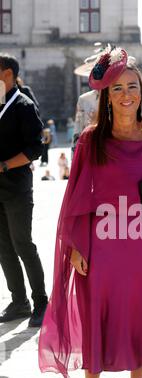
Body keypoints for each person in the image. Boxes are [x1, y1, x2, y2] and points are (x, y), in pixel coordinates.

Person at [38, 46, 142, 378]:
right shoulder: (90, 140)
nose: (126, 95)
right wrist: (75, 247)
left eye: (132, 87)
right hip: (101, 250)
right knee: (96, 320)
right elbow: (75, 200)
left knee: (140, 322)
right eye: (117, 88)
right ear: (106, 95)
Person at [0, 53, 48, 328]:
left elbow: (34, 150)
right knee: (3, 248)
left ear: (7, 73)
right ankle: (19, 302)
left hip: (17, 186)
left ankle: (41, 301)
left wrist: (4, 165)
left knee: (23, 245)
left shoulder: (24, 105)